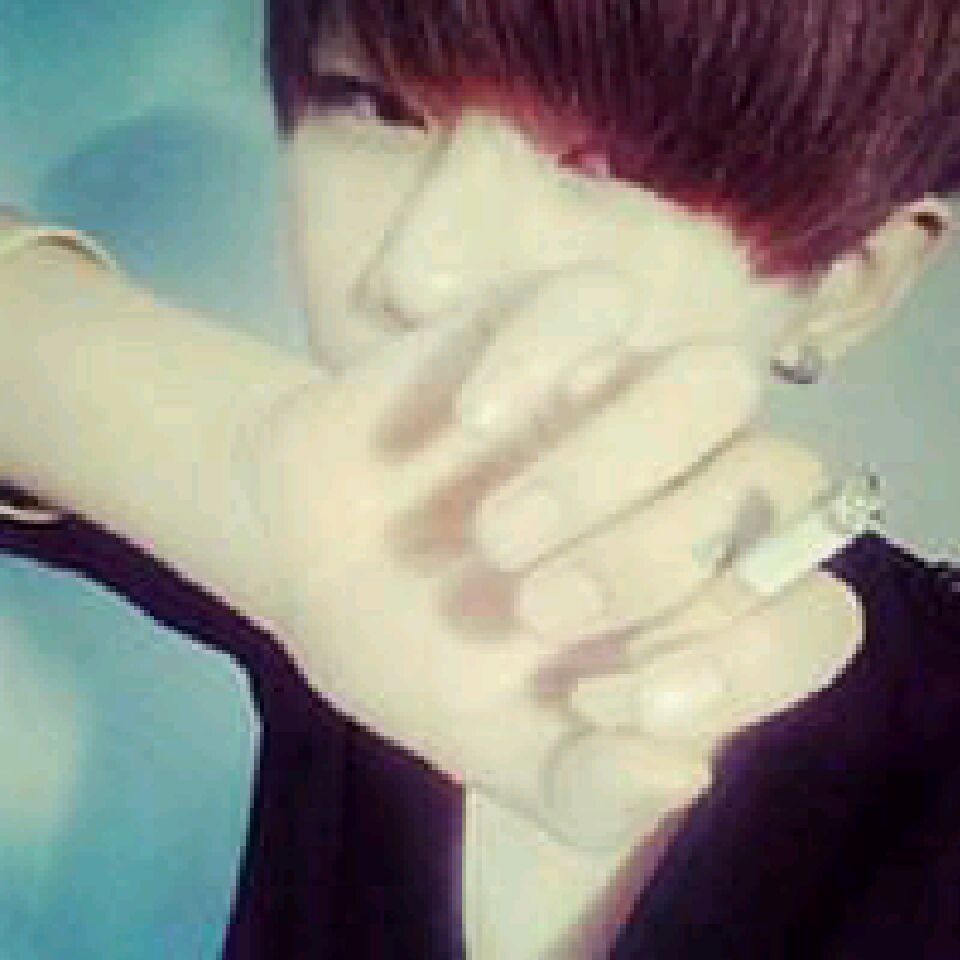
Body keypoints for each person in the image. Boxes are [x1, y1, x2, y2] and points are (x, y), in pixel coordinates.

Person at [0, 1, 958, 958]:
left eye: (608, 162)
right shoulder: (329, 536)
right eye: (375, 106)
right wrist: (240, 466)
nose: (420, 275)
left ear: (849, 283)